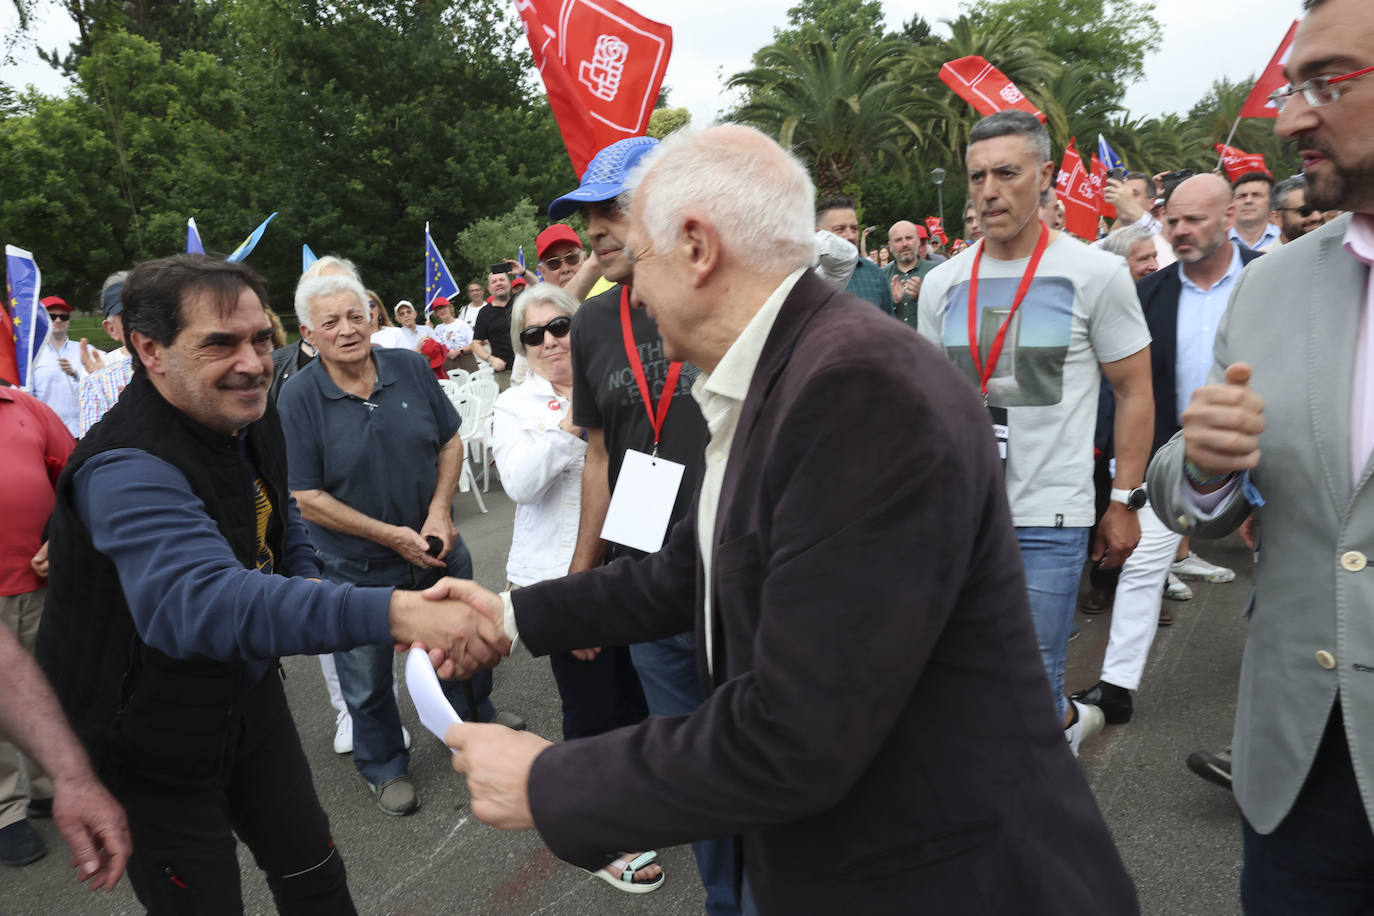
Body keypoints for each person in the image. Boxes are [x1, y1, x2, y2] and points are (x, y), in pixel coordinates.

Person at [437, 123, 1139, 915]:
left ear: (697, 247)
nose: (628, 295)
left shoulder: (858, 392)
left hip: (936, 876)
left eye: (640, 264)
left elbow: (796, 733)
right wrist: (510, 614)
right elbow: (698, 565)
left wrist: (548, 781)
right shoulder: (786, 370)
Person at [35, 254, 505, 913]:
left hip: (248, 695)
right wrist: (395, 613)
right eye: (219, 343)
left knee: (315, 875)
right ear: (149, 349)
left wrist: (309, 588)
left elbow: (279, 510)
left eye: (260, 339)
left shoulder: (249, 411)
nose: (253, 362)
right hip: (147, 734)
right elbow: (195, 603)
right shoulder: (123, 464)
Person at [1147, 3, 1374, 909]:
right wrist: (1205, 467)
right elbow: (1193, 491)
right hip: (1302, 771)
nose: (1289, 119)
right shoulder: (1275, 284)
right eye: (1292, 86)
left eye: (1329, 81)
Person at [917, 110, 1154, 753]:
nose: (988, 190)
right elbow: (928, 408)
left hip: (1049, 518)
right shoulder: (941, 283)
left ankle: (1055, 755)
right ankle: (1059, 734)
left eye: (1006, 173)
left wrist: (1123, 501)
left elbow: (1134, 390)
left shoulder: (1095, 274)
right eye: (976, 177)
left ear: (1045, 177)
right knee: (962, 681)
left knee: (1030, 690)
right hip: (962, 517)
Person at [543, 134, 732, 912]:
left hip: (737, 575)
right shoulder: (588, 326)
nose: (595, 231)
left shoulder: (723, 296)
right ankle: (728, 900)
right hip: (647, 580)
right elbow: (599, 459)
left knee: (768, 748)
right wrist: (587, 582)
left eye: (612, 209)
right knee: (691, 759)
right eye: (587, 216)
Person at [278, 271, 521, 818]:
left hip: (437, 547)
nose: (347, 329)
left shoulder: (409, 367)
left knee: (466, 644)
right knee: (365, 679)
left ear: (372, 314)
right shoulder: (297, 398)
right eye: (331, 322)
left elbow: (451, 439)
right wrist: (391, 537)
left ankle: (475, 721)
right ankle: (384, 764)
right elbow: (307, 497)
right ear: (307, 334)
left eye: (356, 314)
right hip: (356, 568)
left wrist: (439, 511)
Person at [489, 283, 662, 894]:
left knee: (639, 696)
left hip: (632, 569)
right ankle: (595, 835)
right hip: (560, 580)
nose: (551, 342)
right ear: (522, 347)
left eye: (560, 327)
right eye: (534, 335)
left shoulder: (616, 379)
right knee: (591, 707)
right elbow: (519, 483)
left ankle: (635, 803)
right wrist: (575, 424)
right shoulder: (515, 407)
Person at [1072, 175, 1261, 725]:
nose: (1180, 231)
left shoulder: (1267, 281)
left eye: (1194, 219)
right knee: (1140, 571)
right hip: (1169, 459)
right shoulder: (1149, 294)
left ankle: (1283, 700)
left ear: (1228, 218)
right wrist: (1118, 473)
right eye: (1173, 220)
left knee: (1280, 572)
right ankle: (1115, 687)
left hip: (1263, 453)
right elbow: (1124, 386)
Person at [0, 383, 73, 867]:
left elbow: (74, 475)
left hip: (36, 580)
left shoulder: (23, 404)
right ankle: (6, 811)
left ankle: (48, 786)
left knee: (45, 687)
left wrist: (60, 539)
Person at [0, 622, 129, 889]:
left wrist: (73, 778)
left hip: (28, 584)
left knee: (39, 679)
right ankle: (7, 811)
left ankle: (45, 789)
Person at [77, 274, 135, 437]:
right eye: (128, 315)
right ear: (111, 329)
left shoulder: (179, 362)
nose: (139, 320)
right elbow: (92, 449)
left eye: (144, 309)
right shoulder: (98, 376)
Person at [815, 197, 891, 313]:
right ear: (818, 234)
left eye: (854, 229)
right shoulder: (803, 275)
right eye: (840, 229)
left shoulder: (874, 273)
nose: (850, 236)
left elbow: (889, 324)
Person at [29, 295, 87, 438]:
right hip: (51, 434)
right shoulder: (32, 356)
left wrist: (75, 374)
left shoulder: (86, 350)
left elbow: (101, 385)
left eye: (63, 317)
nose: (58, 320)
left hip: (86, 431)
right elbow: (25, 399)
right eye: (52, 316)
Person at [882, 220, 935, 325]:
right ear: (890, 246)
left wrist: (924, 295)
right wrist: (891, 302)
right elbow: (872, 318)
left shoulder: (936, 271)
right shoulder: (880, 276)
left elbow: (948, 311)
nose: (904, 244)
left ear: (918, 241)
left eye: (909, 238)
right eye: (898, 240)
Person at [471, 269, 517, 376]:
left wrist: (523, 272)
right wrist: (491, 359)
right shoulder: (484, 313)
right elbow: (475, 343)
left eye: (502, 279)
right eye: (494, 281)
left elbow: (536, 286)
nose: (499, 283)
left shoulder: (521, 300)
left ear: (509, 283)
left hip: (532, 366)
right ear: (489, 288)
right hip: (505, 372)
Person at [1266, 174, 1324, 249]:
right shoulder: (1263, 259)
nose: (1317, 217)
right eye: (1305, 211)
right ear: (1277, 218)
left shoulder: (1340, 252)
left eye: (1320, 209)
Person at [1228, 171, 1281, 251]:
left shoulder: (1284, 237)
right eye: (1242, 196)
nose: (1248, 200)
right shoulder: (1219, 239)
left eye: (1256, 195)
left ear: (1272, 201)